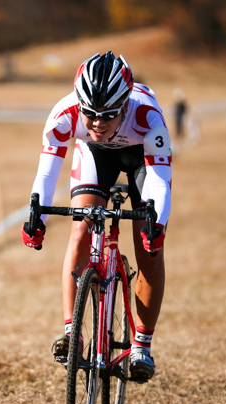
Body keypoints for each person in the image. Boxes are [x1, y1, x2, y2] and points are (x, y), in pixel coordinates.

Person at [22, 52, 172, 382]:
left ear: (125, 104)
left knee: (149, 248)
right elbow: (46, 176)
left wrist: (155, 226)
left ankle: (141, 345)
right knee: (81, 231)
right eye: (89, 114)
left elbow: (159, 180)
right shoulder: (64, 114)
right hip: (94, 155)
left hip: (140, 160)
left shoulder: (147, 115)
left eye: (108, 115)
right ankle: (72, 333)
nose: (97, 123)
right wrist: (37, 220)